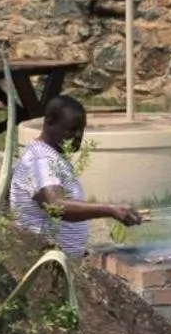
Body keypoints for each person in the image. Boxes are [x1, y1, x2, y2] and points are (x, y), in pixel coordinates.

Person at [11, 95, 143, 256]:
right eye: (72, 129)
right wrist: (110, 209)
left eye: (82, 129)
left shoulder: (51, 155)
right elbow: (56, 206)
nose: (78, 136)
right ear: (50, 123)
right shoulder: (41, 160)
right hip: (47, 260)